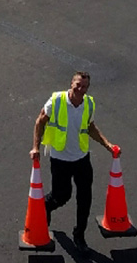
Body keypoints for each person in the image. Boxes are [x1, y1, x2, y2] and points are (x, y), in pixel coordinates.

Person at [31, 71, 118, 253]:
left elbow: (90, 127)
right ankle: (45, 206)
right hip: (60, 159)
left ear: (87, 88)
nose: (80, 89)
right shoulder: (56, 101)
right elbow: (40, 121)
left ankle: (79, 236)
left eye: (84, 86)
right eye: (77, 84)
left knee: (85, 198)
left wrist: (107, 144)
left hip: (81, 159)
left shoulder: (89, 103)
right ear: (71, 83)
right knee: (61, 196)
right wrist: (36, 147)